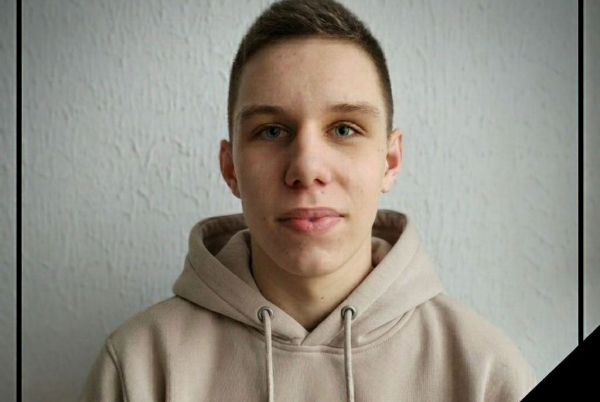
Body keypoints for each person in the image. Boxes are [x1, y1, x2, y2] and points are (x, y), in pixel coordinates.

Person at [80, 0, 538, 400]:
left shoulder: (485, 374)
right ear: (230, 167)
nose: (306, 168)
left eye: (344, 129)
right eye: (271, 131)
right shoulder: (138, 369)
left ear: (390, 160)